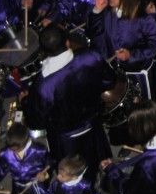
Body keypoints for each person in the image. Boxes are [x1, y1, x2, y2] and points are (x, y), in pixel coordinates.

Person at [23, 24, 118, 176]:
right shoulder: (90, 55)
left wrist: (26, 102)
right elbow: (110, 81)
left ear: (44, 51)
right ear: (67, 42)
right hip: (94, 122)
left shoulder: (43, 85)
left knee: (74, 174)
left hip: (66, 139)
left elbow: (36, 122)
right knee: (100, 161)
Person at [0, 122, 50, 194]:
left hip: (35, 185)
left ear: (26, 141)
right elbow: (1, 167)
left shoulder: (39, 150)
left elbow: (49, 164)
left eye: (16, 150)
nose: (13, 152)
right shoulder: (6, 153)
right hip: (17, 185)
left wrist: (45, 175)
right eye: (11, 149)